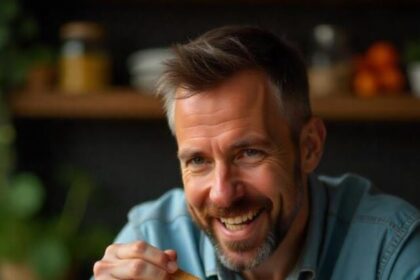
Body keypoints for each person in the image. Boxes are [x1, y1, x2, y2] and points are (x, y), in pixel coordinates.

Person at [93, 26, 420, 280]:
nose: (222, 195)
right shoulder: (149, 239)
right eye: (198, 160)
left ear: (309, 147)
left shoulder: (391, 248)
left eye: (248, 153)